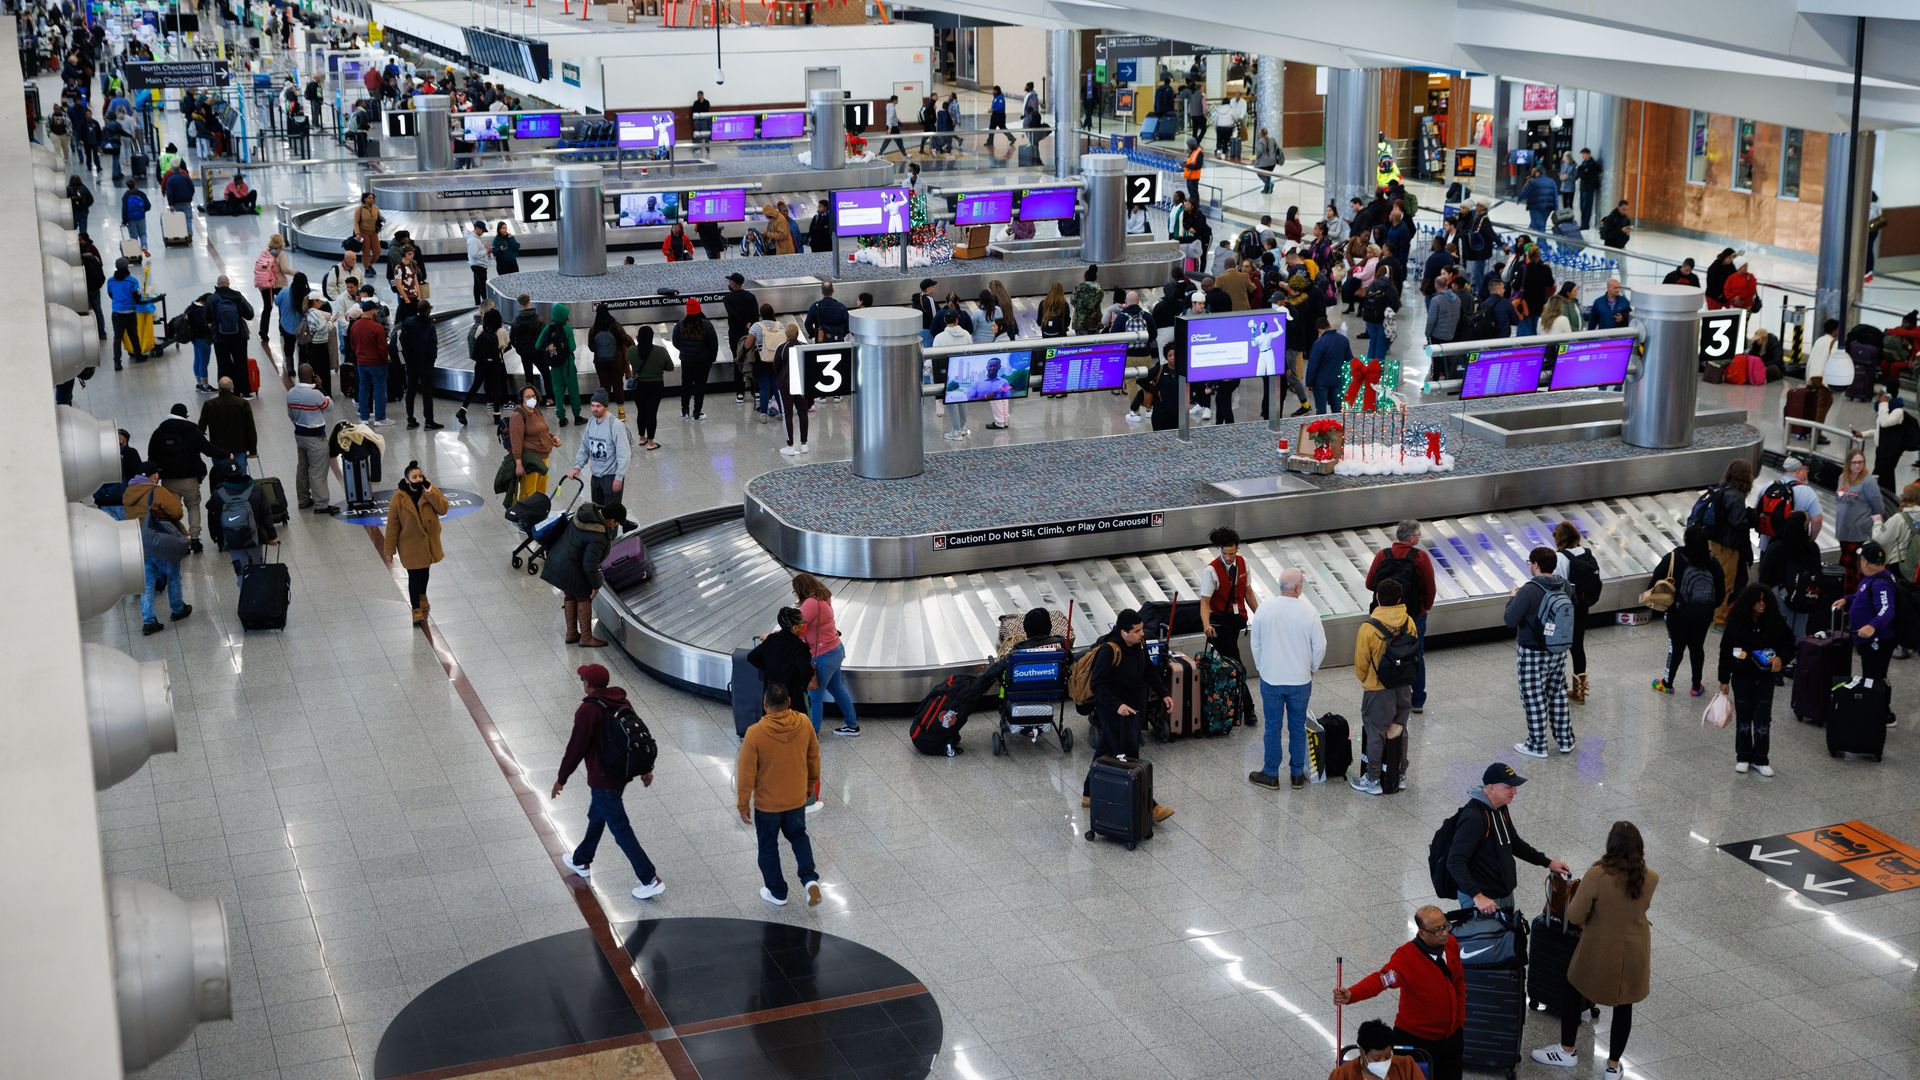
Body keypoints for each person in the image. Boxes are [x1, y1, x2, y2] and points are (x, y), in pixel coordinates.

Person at [1530, 822, 1657, 1077]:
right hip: (1634, 952)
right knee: (1624, 1006)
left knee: (1573, 990)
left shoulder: (1598, 875)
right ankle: (1612, 1067)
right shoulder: (1651, 877)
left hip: (1598, 948)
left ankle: (1567, 1051)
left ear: (1611, 846)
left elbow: (1576, 912)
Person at [552, 663, 665, 902]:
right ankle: (581, 859)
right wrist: (646, 768)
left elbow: (576, 748)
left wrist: (561, 778)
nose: (582, 683)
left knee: (620, 827)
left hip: (603, 776)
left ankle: (649, 878)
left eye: (583, 679)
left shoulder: (588, 710)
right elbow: (636, 735)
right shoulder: (620, 700)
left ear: (589, 685)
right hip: (621, 773)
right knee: (598, 814)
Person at [1333, 906, 1466, 1080]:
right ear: (1422, 932)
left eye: (1445, 926)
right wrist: (1352, 994)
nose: (1444, 933)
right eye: (1436, 930)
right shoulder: (1406, 958)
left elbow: (1459, 984)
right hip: (1417, 1040)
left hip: (1451, 1038)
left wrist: (1459, 1021)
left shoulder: (1451, 945)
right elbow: (1380, 980)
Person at [1079, 609, 1176, 821]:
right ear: (1123, 633)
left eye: (1142, 629)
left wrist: (1164, 694)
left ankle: (1088, 793)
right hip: (1114, 712)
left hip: (1132, 708)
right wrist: (1117, 706)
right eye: (1137, 631)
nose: (1142, 633)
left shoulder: (1139, 645)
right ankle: (1150, 807)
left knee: (1105, 750)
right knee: (1131, 758)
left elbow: (1149, 670)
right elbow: (1098, 685)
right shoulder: (1109, 651)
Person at [735, 681, 823, 907]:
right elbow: (814, 757)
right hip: (796, 798)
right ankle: (809, 880)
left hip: (768, 806)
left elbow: (746, 773)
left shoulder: (755, 734)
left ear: (765, 704)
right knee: (798, 836)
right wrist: (810, 786)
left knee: (768, 846)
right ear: (790, 702)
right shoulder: (804, 723)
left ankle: (777, 892)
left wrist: (743, 803)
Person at [1449, 762, 1571, 914]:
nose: (1515, 791)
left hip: (1503, 892)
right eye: (1509, 787)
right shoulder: (1474, 817)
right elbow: (1455, 861)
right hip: (1482, 899)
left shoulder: (1500, 808)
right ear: (1491, 787)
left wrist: (1548, 862)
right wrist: (1477, 896)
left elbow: (1513, 843)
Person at [1245, 568, 1325, 790]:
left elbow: (1256, 643)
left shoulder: (1264, 610)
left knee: (1272, 727)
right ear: (1298, 588)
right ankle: (1297, 774)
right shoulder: (1310, 611)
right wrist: (1312, 668)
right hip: (1300, 680)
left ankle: (1271, 774)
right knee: (1297, 726)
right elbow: (1320, 646)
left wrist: (1262, 667)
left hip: (1271, 679)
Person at [1715, 584, 1795, 777]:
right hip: (1742, 677)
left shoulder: (1775, 622)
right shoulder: (1736, 624)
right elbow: (1725, 652)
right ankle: (1743, 756)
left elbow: (1790, 645)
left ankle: (1761, 759)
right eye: (1757, 601)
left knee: (1762, 719)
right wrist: (1723, 679)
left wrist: (1781, 659)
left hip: (1765, 679)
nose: (1761, 605)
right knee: (1743, 717)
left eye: (1764, 601)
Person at [1504, 547, 1577, 757]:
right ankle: (1566, 740)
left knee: (1533, 696)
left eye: (1529, 562)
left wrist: (1512, 598)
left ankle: (1537, 745)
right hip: (1558, 649)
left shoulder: (1529, 589)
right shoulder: (1564, 585)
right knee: (1558, 693)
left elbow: (1510, 620)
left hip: (1532, 650)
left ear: (1535, 564)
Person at [1350, 578, 1415, 796]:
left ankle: (1373, 779)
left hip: (1378, 689)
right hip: (1404, 686)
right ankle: (1400, 773)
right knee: (1399, 729)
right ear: (1399, 599)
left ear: (1377, 597)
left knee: (1376, 731)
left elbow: (1361, 663)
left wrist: (1368, 681)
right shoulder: (1409, 622)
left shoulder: (1368, 628)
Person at [1649, 525, 1726, 697]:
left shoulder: (1674, 558)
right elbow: (1721, 592)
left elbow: (1655, 582)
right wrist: (1709, 607)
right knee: (1697, 647)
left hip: (1677, 614)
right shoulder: (1712, 562)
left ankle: (1667, 684)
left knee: (1676, 647)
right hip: (1704, 614)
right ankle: (1696, 686)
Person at [540, 500, 628, 648]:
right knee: (584, 596)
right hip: (573, 566)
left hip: (559, 559)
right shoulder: (598, 535)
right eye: (616, 523)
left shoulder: (585, 513)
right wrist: (595, 584)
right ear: (612, 520)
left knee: (570, 594)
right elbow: (589, 564)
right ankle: (586, 637)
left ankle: (571, 633)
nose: (615, 527)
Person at [123, 468, 192, 636]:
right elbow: (177, 512)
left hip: (138, 541)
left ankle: (148, 620)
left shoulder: (128, 493)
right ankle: (177, 609)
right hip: (159, 539)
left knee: (147, 582)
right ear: (153, 475)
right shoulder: (157, 491)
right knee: (173, 574)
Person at [1837, 541, 1897, 726]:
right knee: (1875, 674)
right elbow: (1863, 595)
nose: (1859, 562)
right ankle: (1878, 709)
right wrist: (1847, 600)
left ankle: (1882, 714)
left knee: (1874, 676)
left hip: (1878, 640)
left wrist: (1872, 626)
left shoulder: (1880, 583)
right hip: (1871, 640)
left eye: (1861, 559)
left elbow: (1887, 609)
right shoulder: (1873, 579)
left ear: (1866, 562)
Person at [791, 574, 859, 737]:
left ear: (801, 589)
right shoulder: (823, 598)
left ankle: (812, 734)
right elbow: (809, 627)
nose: (794, 594)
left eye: (795, 591)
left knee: (815, 695)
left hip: (823, 655)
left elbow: (798, 628)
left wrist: (777, 635)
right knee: (837, 689)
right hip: (835, 650)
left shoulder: (810, 603)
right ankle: (852, 725)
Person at [383, 461, 448, 624]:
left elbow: (443, 509)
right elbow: (393, 525)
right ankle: (416, 608)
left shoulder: (430, 491)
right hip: (410, 544)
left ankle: (422, 595)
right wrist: (389, 551)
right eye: (414, 477)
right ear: (407, 479)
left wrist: (430, 492)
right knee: (414, 576)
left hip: (427, 543)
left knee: (424, 573)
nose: (418, 479)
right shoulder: (398, 498)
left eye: (420, 476)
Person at [204, 459, 278, 585]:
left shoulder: (218, 494)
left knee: (241, 573)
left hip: (233, 541)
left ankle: (247, 599)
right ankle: (259, 598)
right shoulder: (256, 489)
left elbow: (214, 518)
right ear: (241, 471)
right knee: (257, 568)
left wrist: (218, 539)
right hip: (255, 538)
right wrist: (271, 536)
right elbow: (266, 515)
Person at [1198, 526, 1258, 668]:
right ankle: (1241, 688)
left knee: (1228, 660)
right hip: (1219, 623)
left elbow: (1248, 591)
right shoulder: (1211, 571)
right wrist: (1206, 624)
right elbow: (1205, 601)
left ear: (1237, 549)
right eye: (1224, 553)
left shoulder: (1244, 563)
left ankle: (1229, 687)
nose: (1228, 558)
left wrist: (1260, 614)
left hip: (1236, 620)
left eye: (1231, 554)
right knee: (1233, 661)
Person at [1554, 521, 1600, 704]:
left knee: (1557, 648)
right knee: (1577, 646)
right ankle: (1580, 692)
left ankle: (1556, 689)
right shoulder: (1587, 553)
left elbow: (1557, 585)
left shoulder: (1559, 558)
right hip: (1583, 606)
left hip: (1564, 609)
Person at [286, 364, 337, 516]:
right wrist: (321, 387)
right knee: (318, 471)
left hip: (300, 435)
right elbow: (330, 406)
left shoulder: (291, 393)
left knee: (302, 467)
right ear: (312, 376)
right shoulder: (315, 394)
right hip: (315, 437)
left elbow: (291, 415)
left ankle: (303, 499)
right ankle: (321, 504)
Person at [567, 390, 631, 506]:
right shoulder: (591, 422)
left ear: (606, 407)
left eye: (598, 406)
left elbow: (624, 453)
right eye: (592, 406)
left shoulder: (615, 425)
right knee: (597, 512)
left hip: (611, 476)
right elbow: (585, 447)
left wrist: (619, 477)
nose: (594, 409)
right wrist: (577, 467)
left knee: (610, 515)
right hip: (596, 476)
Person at [1836, 449, 1886, 593]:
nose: (1858, 465)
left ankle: (1854, 595)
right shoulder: (1842, 478)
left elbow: (1878, 507)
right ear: (1848, 464)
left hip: (1859, 531)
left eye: (1861, 462)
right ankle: (1845, 594)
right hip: (1844, 530)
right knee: (1846, 565)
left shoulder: (1868, 482)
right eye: (1855, 462)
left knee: (1854, 566)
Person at [1755, 456, 1824, 552]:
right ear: (1798, 471)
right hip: (1794, 548)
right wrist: (1810, 540)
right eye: (1806, 469)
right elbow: (1817, 520)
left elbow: (1756, 511)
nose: (1807, 472)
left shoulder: (1768, 486)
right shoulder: (1808, 492)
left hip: (1768, 546)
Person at [509, 384, 560, 503]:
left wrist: (552, 438)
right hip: (530, 460)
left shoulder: (536, 411)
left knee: (541, 490)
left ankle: (536, 514)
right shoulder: (518, 416)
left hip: (543, 458)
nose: (531, 399)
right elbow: (516, 442)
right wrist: (518, 464)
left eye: (533, 396)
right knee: (529, 492)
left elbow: (542, 430)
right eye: (527, 397)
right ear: (522, 399)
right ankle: (524, 516)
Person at [396, 299, 442, 431]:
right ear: (428, 311)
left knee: (411, 391)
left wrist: (406, 358)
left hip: (411, 363)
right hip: (425, 364)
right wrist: (431, 361)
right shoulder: (429, 326)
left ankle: (410, 419)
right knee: (427, 392)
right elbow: (433, 346)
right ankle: (429, 421)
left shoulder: (408, 322)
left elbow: (402, 341)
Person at [198, 376, 256, 476]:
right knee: (240, 478)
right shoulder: (243, 403)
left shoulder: (209, 404)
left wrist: (200, 447)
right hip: (239, 448)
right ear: (232, 388)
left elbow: (201, 428)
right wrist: (252, 450)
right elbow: (250, 428)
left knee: (220, 478)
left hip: (217, 450)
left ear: (219, 388)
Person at [627, 325, 673, 452]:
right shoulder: (661, 351)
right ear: (652, 337)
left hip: (638, 386)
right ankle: (651, 442)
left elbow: (629, 362)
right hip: (655, 385)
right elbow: (670, 367)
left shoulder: (631, 351)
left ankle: (642, 438)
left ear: (638, 337)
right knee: (651, 412)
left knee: (641, 411)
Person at [346, 300, 392, 425]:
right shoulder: (377, 328)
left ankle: (364, 418)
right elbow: (382, 348)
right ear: (372, 311)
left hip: (361, 363)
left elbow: (352, 345)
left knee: (364, 388)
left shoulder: (355, 326)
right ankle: (380, 418)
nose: (376, 312)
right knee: (380, 389)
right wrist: (385, 359)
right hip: (377, 363)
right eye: (375, 310)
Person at [1329, 1018, 1422, 1080]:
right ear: (1362, 1051)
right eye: (1376, 1058)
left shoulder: (1407, 1066)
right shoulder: (1341, 1075)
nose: (1383, 1062)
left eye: (1388, 1057)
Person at [673, 299, 718, 422]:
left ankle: (684, 411)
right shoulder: (706, 325)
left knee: (686, 385)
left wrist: (685, 351)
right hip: (703, 361)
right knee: (700, 387)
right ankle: (697, 413)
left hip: (686, 360)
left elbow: (675, 342)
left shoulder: (680, 324)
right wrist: (711, 358)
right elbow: (713, 344)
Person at [1305, 317, 1351, 414]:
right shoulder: (1343, 340)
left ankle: (1323, 427)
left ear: (1319, 329)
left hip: (1321, 382)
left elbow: (1313, 366)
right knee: (1337, 408)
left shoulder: (1319, 343)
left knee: (1321, 409)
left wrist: (1309, 382)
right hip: (1338, 380)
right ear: (1328, 325)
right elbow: (1349, 359)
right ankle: (1338, 427)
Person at [105, 257, 144, 370]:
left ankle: (117, 362)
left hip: (117, 313)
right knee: (133, 335)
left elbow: (110, 294)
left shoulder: (110, 281)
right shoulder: (133, 281)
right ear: (127, 266)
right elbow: (137, 297)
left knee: (117, 338)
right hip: (130, 313)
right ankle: (138, 356)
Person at [1574, 147, 1603, 230]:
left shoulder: (1592, 164)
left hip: (1588, 189)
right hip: (1583, 188)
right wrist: (1580, 171)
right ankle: (1583, 223)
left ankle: (1585, 225)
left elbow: (1584, 175)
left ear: (1588, 154)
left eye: (1584, 154)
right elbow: (1580, 175)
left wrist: (1579, 170)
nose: (1582, 156)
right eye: (1582, 155)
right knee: (1582, 207)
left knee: (1587, 207)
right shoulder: (1584, 163)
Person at [120, 178, 151, 255]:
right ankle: (144, 246)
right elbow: (148, 206)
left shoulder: (126, 196)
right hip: (141, 217)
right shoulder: (141, 194)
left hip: (131, 219)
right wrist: (142, 211)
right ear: (135, 184)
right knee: (143, 233)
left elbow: (124, 209)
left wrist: (124, 221)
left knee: (133, 236)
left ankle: (136, 251)